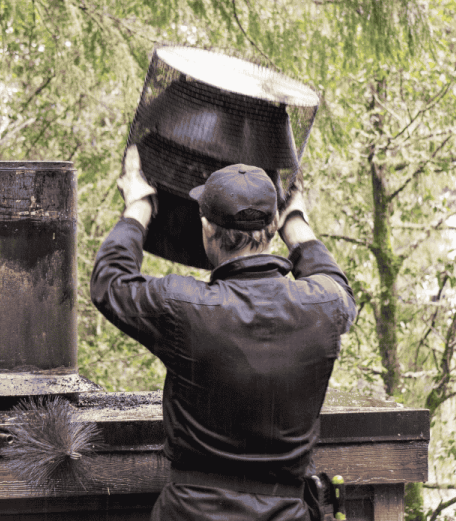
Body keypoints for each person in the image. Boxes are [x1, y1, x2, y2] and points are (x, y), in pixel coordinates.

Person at [91, 145, 357, 521]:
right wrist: (296, 223)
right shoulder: (325, 306)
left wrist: (139, 205)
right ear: (272, 227)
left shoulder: (183, 306)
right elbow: (335, 283)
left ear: (207, 230)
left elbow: (110, 282)